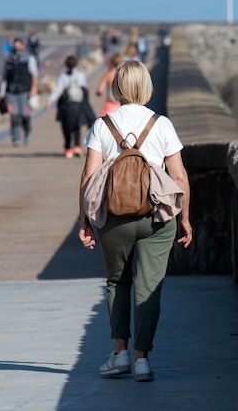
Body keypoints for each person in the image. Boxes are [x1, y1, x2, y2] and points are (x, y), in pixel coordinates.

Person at [78, 60, 192, 382]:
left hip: (114, 217)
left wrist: (86, 220)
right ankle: (143, 360)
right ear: (146, 86)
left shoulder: (103, 125)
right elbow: (179, 175)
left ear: (117, 87)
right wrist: (185, 218)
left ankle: (120, 355)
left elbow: (88, 176)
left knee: (117, 282)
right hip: (157, 217)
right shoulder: (162, 124)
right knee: (149, 287)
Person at [46, 55, 95, 158]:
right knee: (77, 126)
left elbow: (58, 90)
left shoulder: (63, 76)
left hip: (66, 104)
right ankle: (77, 146)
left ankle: (68, 148)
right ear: (76, 64)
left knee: (66, 126)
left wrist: (49, 101)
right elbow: (84, 90)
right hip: (78, 104)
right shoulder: (80, 75)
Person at [0, 37, 39, 147]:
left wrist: (34, 88)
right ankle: (15, 137)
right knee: (14, 115)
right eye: (15, 46)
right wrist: (2, 91)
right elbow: (4, 76)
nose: (17, 48)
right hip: (11, 91)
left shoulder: (29, 58)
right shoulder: (9, 59)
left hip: (24, 90)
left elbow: (35, 74)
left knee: (24, 114)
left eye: (19, 45)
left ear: (22, 46)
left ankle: (27, 132)